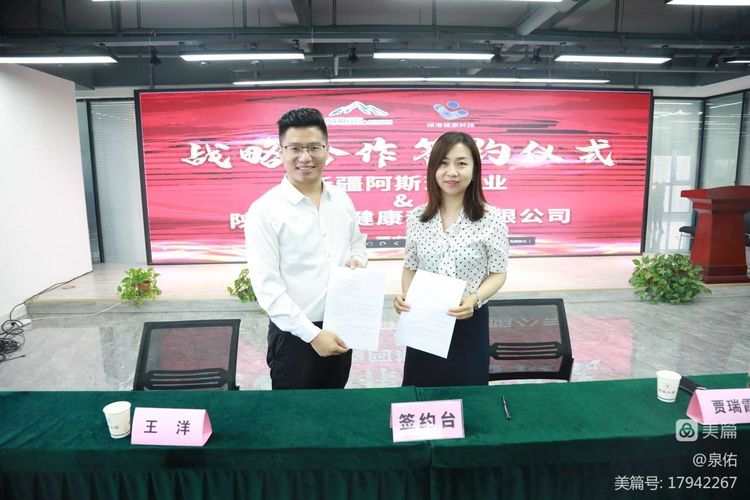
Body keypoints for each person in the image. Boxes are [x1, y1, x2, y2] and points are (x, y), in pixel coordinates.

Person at [245, 107, 367, 390]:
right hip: (294, 337)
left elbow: (357, 243)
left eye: (314, 147)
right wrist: (312, 335)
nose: (305, 157)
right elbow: (267, 288)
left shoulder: (341, 199)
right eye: (295, 148)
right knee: (294, 414)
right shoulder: (265, 211)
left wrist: (357, 260)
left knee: (334, 405)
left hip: (340, 326)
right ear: (281, 152)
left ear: (327, 149)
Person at [394, 131, 509, 387]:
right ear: (433, 169)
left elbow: (498, 272)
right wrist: (407, 298)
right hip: (425, 322)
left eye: (461, 163)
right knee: (420, 393)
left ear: (474, 170)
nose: (452, 172)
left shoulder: (492, 219)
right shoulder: (417, 218)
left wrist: (474, 299)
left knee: (468, 397)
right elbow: (410, 267)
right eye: (444, 163)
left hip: (468, 320)